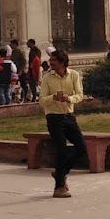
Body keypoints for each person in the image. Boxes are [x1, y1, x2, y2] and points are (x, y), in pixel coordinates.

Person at [40, 48, 87, 197]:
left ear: (62, 62)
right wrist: (52, 97)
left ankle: (61, 172)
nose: (50, 63)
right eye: (50, 60)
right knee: (61, 149)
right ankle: (59, 187)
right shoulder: (47, 78)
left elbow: (79, 95)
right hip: (53, 117)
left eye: (54, 60)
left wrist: (69, 99)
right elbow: (41, 100)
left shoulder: (74, 75)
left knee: (81, 148)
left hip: (68, 116)